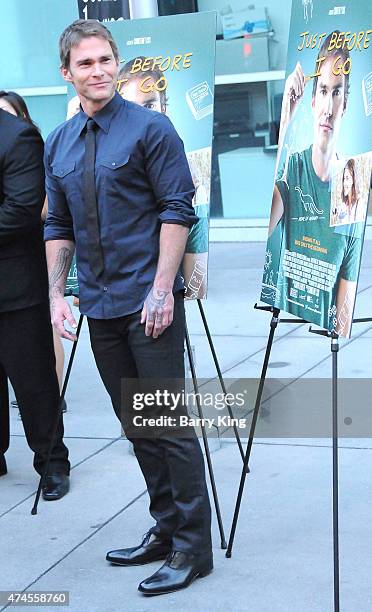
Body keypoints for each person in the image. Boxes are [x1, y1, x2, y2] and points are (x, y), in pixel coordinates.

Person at [44, 20, 212, 595]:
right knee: (135, 425)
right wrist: (55, 295)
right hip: (100, 305)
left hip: (149, 303)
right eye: (85, 64)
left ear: (118, 63)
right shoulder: (59, 143)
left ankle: (193, 547)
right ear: (67, 73)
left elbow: (176, 210)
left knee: (165, 423)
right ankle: (165, 529)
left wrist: (163, 290)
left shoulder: (151, 128)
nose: (98, 71)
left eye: (105, 60)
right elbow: (58, 224)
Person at [264, 31, 362, 337]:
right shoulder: (292, 167)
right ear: (312, 98)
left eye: (337, 93)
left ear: (345, 103)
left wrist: (339, 329)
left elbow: (344, 306)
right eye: (323, 90)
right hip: (289, 302)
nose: (328, 108)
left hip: (328, 324)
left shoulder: (352, 188)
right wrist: (285, 119)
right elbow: (267, 223)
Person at [0, 99, 70, 499]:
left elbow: (22, 209)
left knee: (34, 384)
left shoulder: (18, 136)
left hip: (14, 286)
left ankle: (52, 463)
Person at [118, 58, 209, 300]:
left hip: (163, 294)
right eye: (130, 105)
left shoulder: (191, 173)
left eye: (148, 105)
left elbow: (195, 287)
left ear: (164, 107)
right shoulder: (106, 167)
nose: (140, 116)